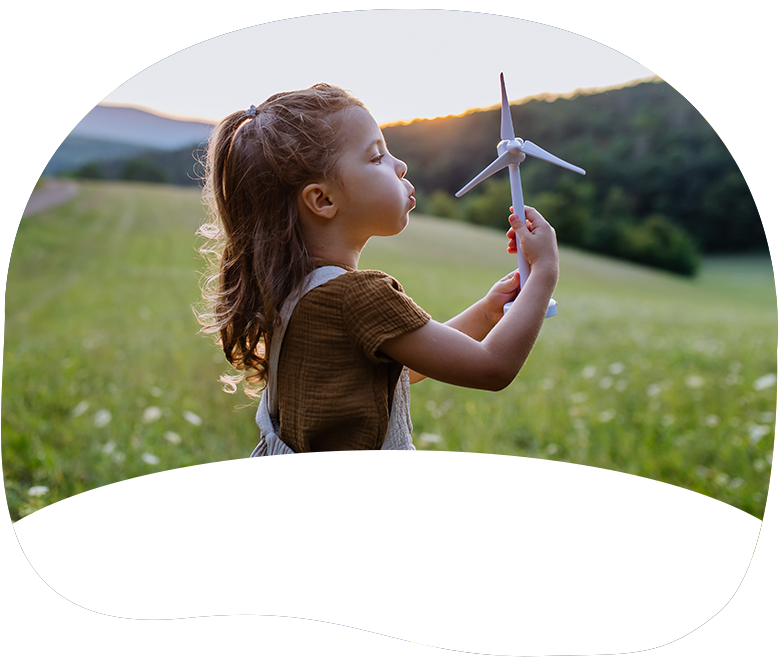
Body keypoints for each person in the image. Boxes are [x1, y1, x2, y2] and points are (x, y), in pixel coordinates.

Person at [196, 83, 558, 455]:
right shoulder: (360, 297)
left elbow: (402, 369)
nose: (399, 165)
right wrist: (543, 269)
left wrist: (487, 311)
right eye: (376, 157)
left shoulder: (295, 292)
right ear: (323, 200)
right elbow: (492, 368)